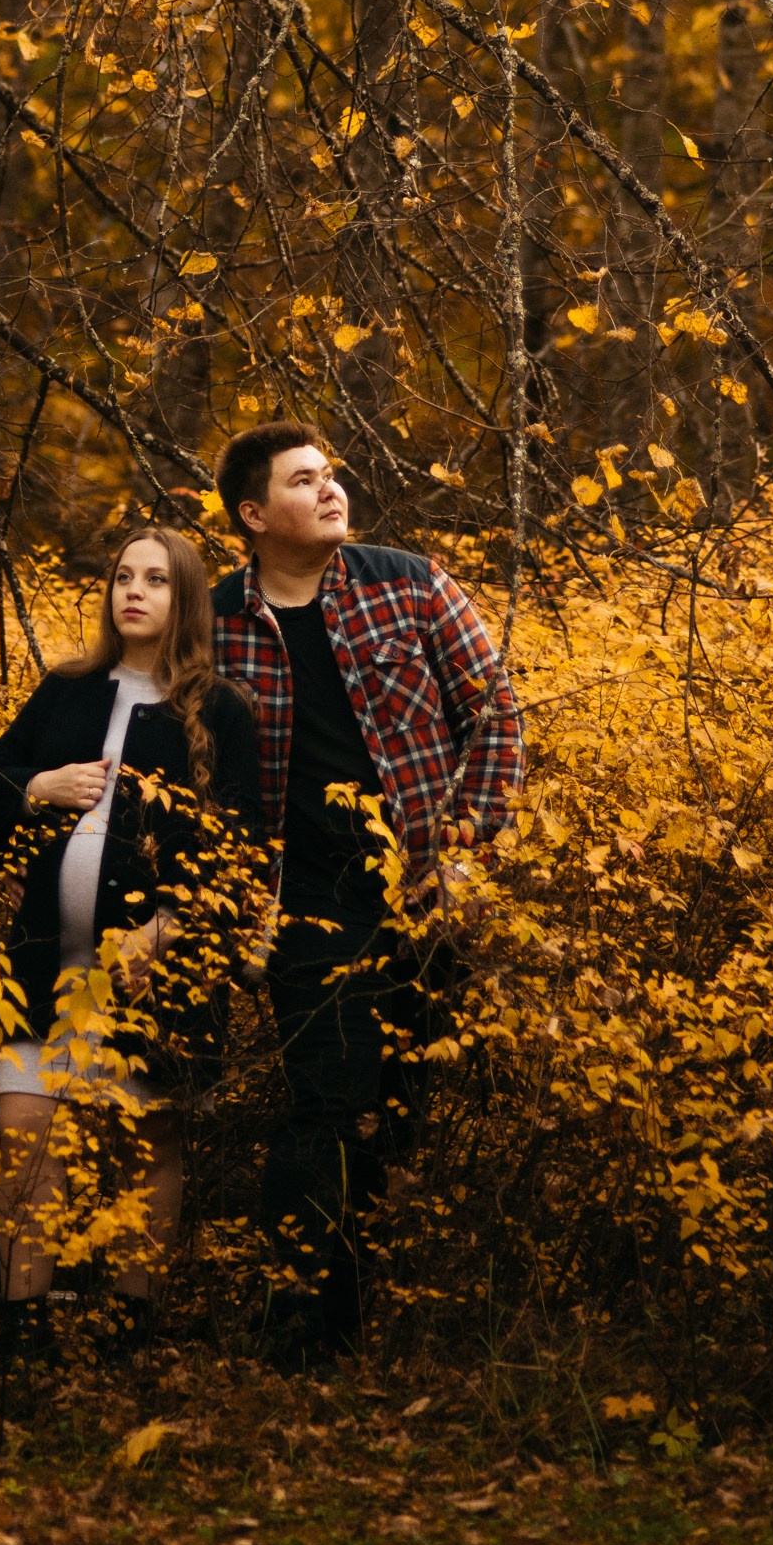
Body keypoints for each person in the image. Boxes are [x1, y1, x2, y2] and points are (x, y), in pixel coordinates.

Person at [210, 420, 524, 1368]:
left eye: (332, 474)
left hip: (428, 888)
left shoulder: (410, 581)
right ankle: (309, 1330)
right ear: (256, 515)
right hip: (303, 898)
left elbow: (496, 717)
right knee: (326, 1105)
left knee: (404, 1103)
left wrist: (467, 841)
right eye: (305, 481)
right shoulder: (217, 619)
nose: (331, 490)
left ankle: (379, 1297)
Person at [0, 524, 263, 1370]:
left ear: (186, 600)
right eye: (124, 576)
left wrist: (170, 928)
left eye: (157, 580)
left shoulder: (220, 709)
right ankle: (24, 1331)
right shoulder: (67, 690)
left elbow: (240, 850)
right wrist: (36, 787)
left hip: (146, 979)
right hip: (39, 967)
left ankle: (134, 1330)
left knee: (146, 1145)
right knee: (26, 1137)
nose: (134, 591)